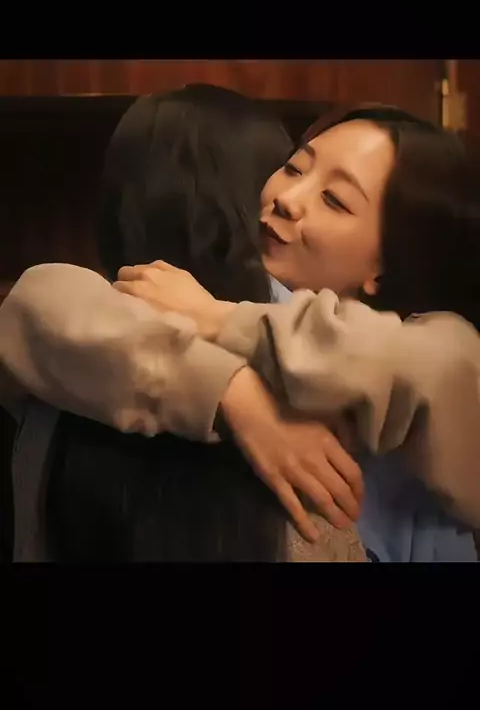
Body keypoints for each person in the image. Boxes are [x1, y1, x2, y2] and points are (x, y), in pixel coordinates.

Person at [1, 102, 479, 560]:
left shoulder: (433, 361)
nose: (287, 199)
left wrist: (221, 318)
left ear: (387, 262)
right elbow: (36, 304)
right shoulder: (168, 310)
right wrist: (236, 396)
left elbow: (421, 364)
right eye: (293, 168)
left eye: (335, 200)